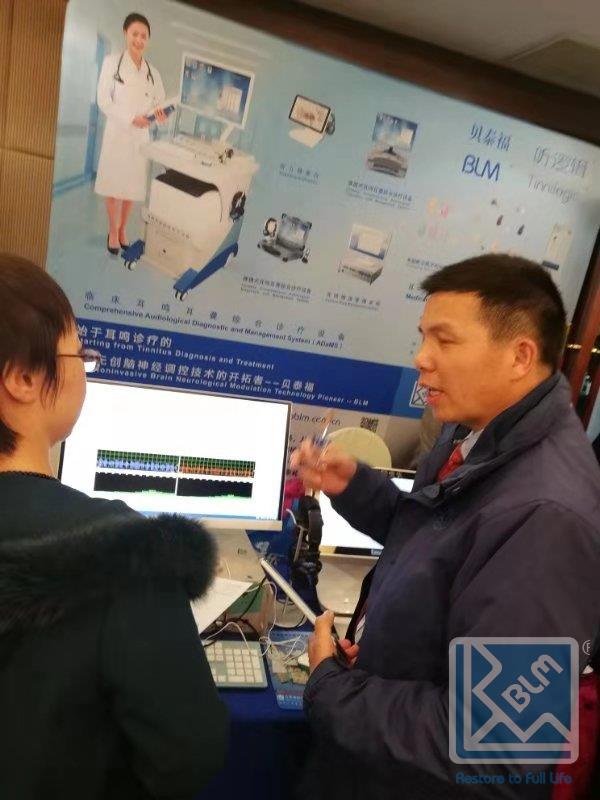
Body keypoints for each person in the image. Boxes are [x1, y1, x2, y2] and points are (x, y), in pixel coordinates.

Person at [291, 254, 600, 799]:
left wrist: (333, 688)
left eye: (445, 340)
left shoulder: (547, 518)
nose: (421, 358)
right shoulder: (476, 433)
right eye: (423, 336)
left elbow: (497, 749)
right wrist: (358, 487)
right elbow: (441, 541)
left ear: (520, 356)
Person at [0, 254, 228, 799]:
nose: (85, 368)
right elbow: (189, 752)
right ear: (24, 378)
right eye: (78, 353)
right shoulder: (120, 550)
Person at [95, 13, 167, 255]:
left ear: (148, 40)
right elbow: (103, 100)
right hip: (117, 134)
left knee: (131, 189)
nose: (139, 40)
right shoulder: (111, 63)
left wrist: (160, 115)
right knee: (113, 186)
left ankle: (123, 228)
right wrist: (130, 118)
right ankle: (112, 230)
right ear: (125, 34)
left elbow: (160, 102)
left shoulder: (153, 73)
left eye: (144, 36)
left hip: (140, 138)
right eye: (135, 34)